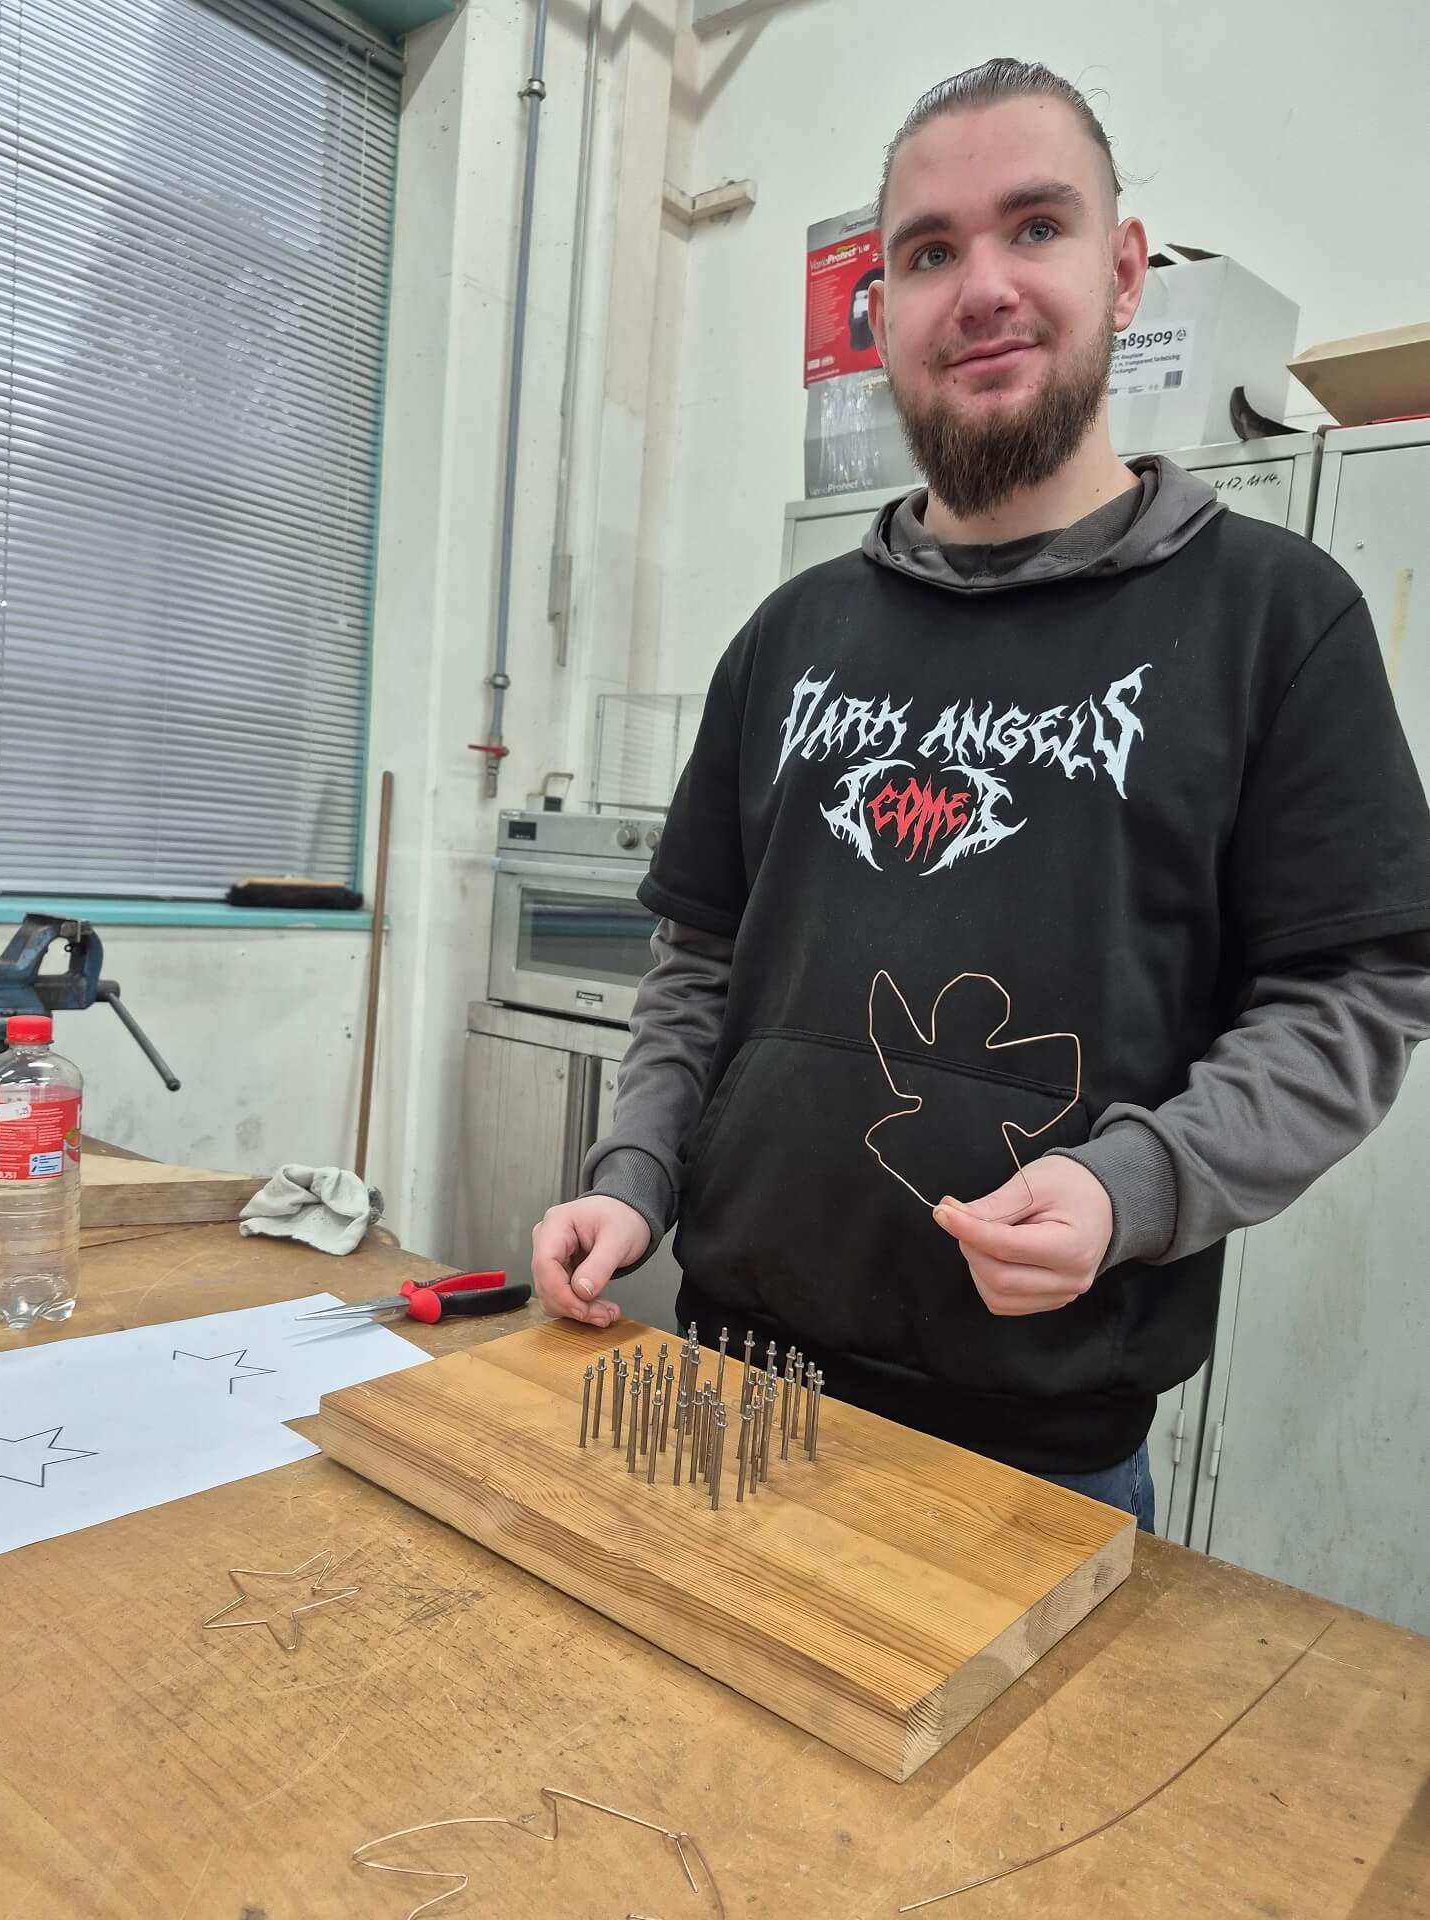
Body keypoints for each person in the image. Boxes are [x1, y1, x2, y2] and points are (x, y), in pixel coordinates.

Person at [529, 58, 1430, 1533]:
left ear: (1122, 273)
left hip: (1037, 1451)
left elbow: (1353, 997)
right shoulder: (788, 636)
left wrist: (1138, 1183)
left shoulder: (1278, 618)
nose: (984, 287)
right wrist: (635, 1175)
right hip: (726, 1373)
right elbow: (698, 965)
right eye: (930, 252)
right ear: (882, 312)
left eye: (1037, 228)